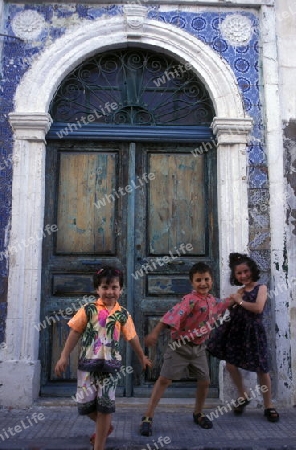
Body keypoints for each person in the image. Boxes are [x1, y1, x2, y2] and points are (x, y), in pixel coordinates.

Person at [55, 266, 152, 450]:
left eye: (114, 287)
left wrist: (142, 357)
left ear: (121, 289)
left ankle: (99, 446)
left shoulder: (122, 314)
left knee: (105, 406)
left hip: (110, 367)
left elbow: (132, 337)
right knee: (85, 405)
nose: (110, 292)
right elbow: (75, 332)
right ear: (97, 289)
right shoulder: (88, 310)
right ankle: (105, 427)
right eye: (105, 287)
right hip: (87, 366)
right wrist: (63, 356)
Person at [140, 262, 234, 436]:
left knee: (205, 381)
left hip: (198, 350)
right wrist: (154, 333)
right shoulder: (189, 300)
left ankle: (198, 413)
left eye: (206, 279)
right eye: (198, 280)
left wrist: (238, 297)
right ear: (192, 283)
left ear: (212, 281)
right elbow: (169, 316)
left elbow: (223, 304)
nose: (203, 283)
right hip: (179, 348)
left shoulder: (212, 301)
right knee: (164, 381)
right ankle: (147, 416)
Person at [207, 252, 280, 422]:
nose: (243, 275)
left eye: (246, 271)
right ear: (235, 276)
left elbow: (258, 308)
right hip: (237, 331)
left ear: (252, 271)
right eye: (239, 273)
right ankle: (243, 394)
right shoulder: (239, 291)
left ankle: (268, 405)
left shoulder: (261, 288)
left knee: (262, 368)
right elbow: (224, 307)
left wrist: (239, 301)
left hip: (254, 332)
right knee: (231, 364)